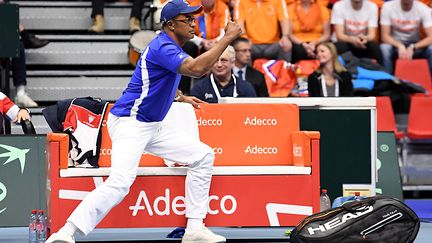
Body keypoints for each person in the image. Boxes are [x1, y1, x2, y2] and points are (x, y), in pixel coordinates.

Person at [46, 0, 242, 242]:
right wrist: (227, 38)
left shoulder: (171, 45)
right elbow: (196, 69)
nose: (193, 24)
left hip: (152, 125)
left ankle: (194, 229)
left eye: (193, 19)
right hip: (131, 122)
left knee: (203, 156)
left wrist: (179, 96)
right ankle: (65, 232)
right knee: (120, 182)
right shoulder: (163, 47)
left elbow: (156, 80)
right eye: (187, 19)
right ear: (171, 24)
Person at [380, 0, 432, 74]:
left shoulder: (423, 8)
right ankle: (388, 80)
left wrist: (413, 47)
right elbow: (384, 36)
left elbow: (431, 37)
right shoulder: (388, 7)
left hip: (415, 45)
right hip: (395, 45)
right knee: (384, 48)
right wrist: (399, 46)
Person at [190, 45, 257, 102]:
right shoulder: (199, 88)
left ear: (233, 63)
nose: (219, 65)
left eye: (224, 60)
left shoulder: (246, 87)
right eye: (215, 60)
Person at [331, 0, 383, 64]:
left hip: (363, 41)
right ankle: (342, 72)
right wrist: (353, 40)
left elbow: (372, 35)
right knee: (340, 46)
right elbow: (339, 36)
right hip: (345, 41)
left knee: (374, 47)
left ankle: (380, 71)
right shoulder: (338, 6)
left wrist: (365, 39)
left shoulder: (372, 7)